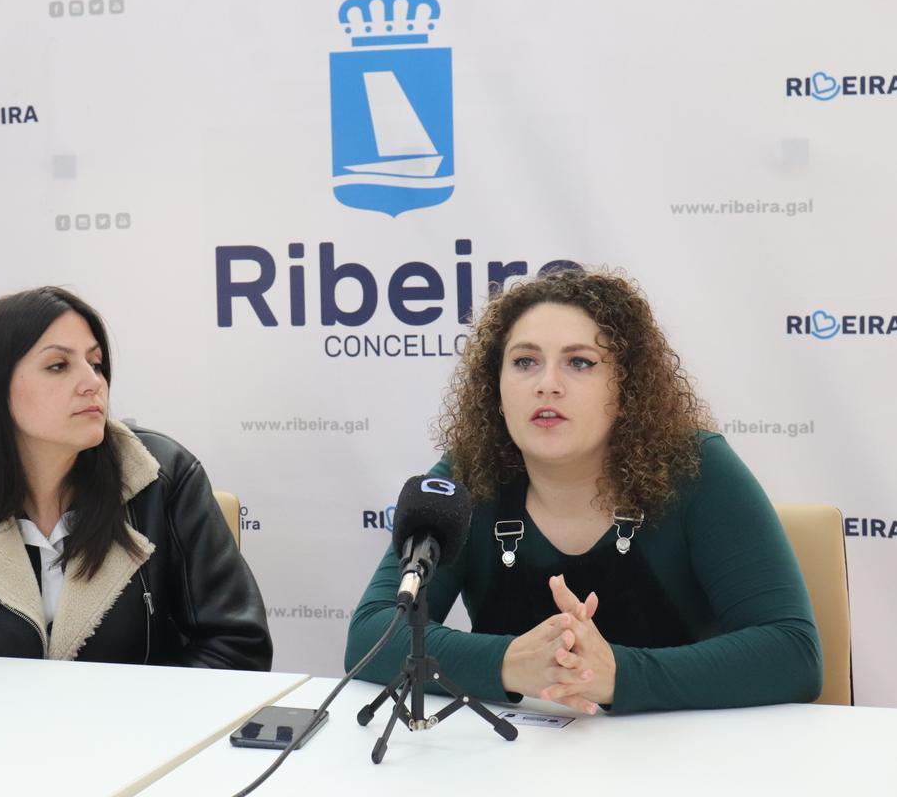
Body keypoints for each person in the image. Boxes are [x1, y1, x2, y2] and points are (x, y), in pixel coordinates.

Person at [345, 269, 821, 713]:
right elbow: (372, 634)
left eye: (579, 363)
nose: (547, 384)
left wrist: (615, 674)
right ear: (496, 386)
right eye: (525, 362)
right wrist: (509, 663)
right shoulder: (470, 473)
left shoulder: (696, 467)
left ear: (627, 387)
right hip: (517, 762)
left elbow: (791, 652)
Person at [0, 286, 272, 669]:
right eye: (58, 366)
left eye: (96, 364)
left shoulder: (163, 479)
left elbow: (236, 647)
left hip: (135, 752)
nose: (92, 383)